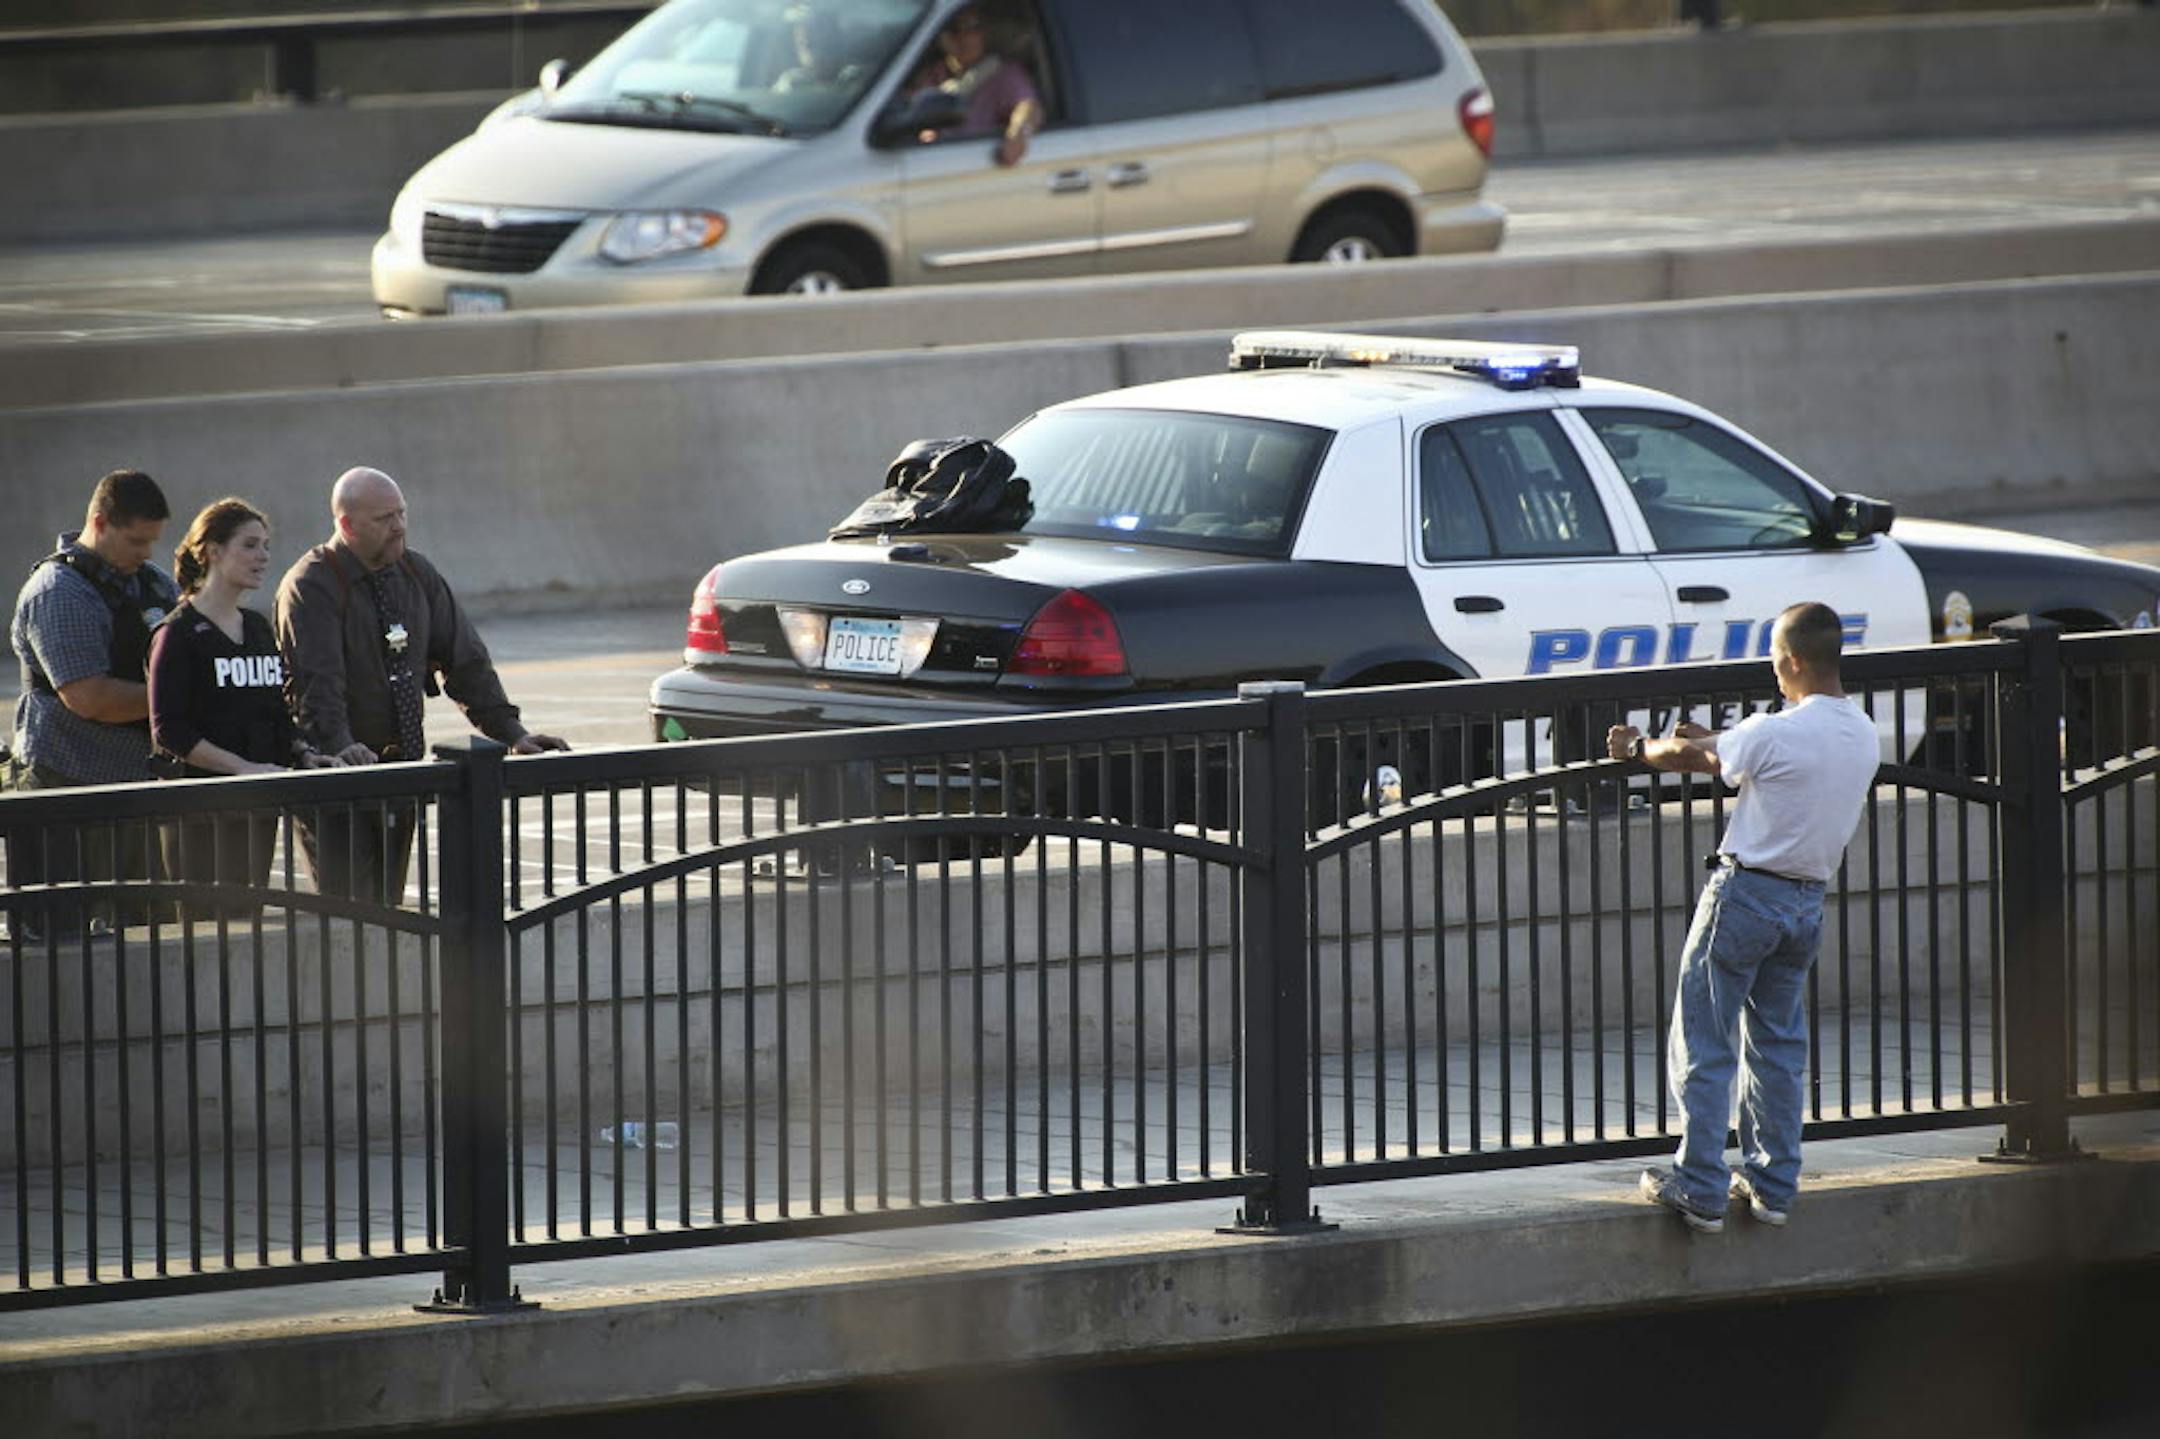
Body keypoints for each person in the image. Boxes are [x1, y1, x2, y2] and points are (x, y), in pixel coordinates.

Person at [1608, 601, 1880, 1234]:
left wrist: (1638, 747)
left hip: (1744, 897)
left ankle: (1700, 1183)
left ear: (1793, 661)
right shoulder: (1862, 731)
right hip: (1806, 904)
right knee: (1777, 1046)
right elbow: (1744, 753)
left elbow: (1690, 759)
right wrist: (1713, 740)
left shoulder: (1773, 732)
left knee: (1704, 1039)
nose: (1773, 673)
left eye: (1775, 662)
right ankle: (1774, 1185)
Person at [274, 467, 568, 903]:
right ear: (347, 525)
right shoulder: (312, 584)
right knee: (349, 914)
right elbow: (317, 686)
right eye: (384, 518)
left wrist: (513, 734)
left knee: (389, 909)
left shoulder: (415, 573)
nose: (398, 526)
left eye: (401, 513)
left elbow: (467, 662)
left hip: (401, 774)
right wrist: (341, 747)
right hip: (336, 784)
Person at [4, 469, 177, 940]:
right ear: (100, 523)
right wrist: (177, 700)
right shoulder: (59, 591)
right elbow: (89, 698)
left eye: (152, 541)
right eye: (136, 541)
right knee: (59, 948)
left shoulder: (153, 584)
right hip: (66, 795)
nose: (147, 553)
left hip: (138, 792)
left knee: (151, 947)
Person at [147, 499, 341, 917]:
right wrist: (241, 768)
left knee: (246, 924)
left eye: (266, 546)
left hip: (255, 807)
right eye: (250, 545)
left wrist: (303, 752)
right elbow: (169, 729)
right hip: (199, 813)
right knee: (205, 932)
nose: (263, 556)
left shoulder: (256, 627)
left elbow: (274, 711)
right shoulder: (177, 633)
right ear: (213, 551)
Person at [907, 4, 1039, 167]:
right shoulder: (931, 75)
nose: (967, 36)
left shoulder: (1004, 75)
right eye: (956, 30)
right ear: (944, 39)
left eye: (974, 28)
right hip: (934, 163)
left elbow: (1029, 106)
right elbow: (905, 116)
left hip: (977, 163)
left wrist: (1018, 135)